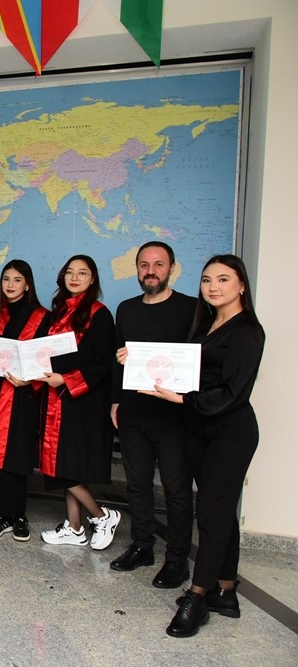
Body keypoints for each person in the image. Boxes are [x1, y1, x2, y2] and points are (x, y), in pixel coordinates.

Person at [141, 255, 264, 638]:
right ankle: (225, 590)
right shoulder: (209, 324)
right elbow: (184, 369)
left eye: (223, 279)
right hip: (198, 428)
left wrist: (183, 400)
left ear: (241, 285)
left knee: (211, 511)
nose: (213, 287)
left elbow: (233, 391)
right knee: (221, 510)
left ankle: (197, 595)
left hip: (230, 429)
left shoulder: (247, 330)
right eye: (207, 280)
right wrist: (139, 361)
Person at [110, 242, 196, 587]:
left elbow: (198, 363)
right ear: (137, 269)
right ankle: (142, 546)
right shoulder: (127, 309)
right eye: (144, 264)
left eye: (159, 264)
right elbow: (118, 356)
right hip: (134, 412)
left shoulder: (192, 309)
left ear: (171, 268)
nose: (151, 270)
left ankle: (177, 559)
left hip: (174, 417)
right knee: (138, 485)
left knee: (176, 490)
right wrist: (115, 401)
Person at [37, 255, 121, 550]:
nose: (75, 277)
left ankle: (101, 515)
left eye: (82, 273)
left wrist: (67, 380)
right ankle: (74, 527)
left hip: (81, 400)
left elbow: (102, 363)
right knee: (62, 463)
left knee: (66, 465)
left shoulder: (99, 314)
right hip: (54, 398)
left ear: (92, 279)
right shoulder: (57, 313)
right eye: (70, 272)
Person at [0, 260, 47, 542]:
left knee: (17, 454)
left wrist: (31, 381)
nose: (11, 285)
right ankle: (1, 515)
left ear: (27, 284)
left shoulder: (42, 318)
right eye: (6, 279)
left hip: (22, 397)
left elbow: (48, 359)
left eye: (17, 280)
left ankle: (19, 514)